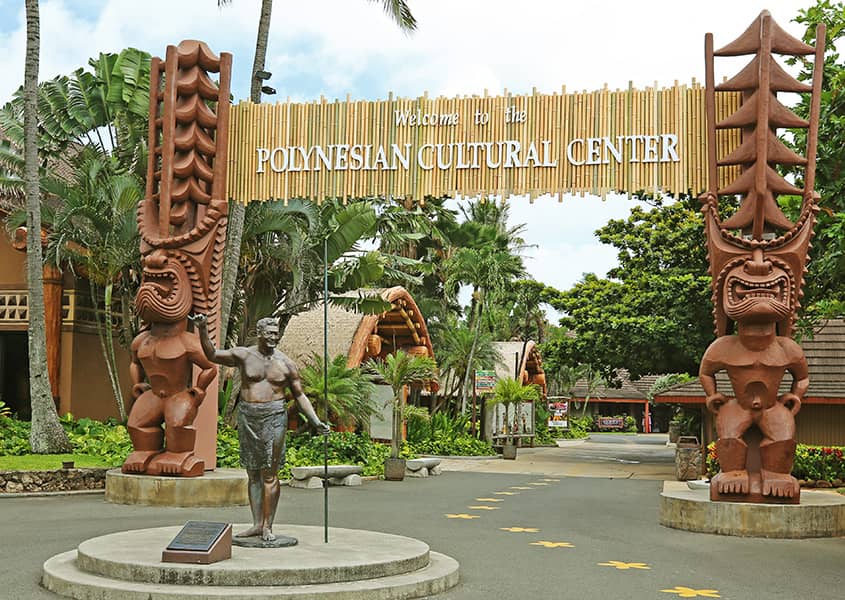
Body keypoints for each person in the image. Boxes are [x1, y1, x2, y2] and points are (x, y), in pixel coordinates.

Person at [191, 313, 329, 542]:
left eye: (276, 333)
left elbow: (300, 395)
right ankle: (256, 524)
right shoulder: (244, 355)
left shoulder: (286, 364)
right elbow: (212, 354)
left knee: (269, 473)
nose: (274, 337)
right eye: (270, 333)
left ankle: (268, 526)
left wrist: (315, 421)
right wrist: (203, 329)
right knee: (253, 472)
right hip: (248, 416)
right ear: (260, 334)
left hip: (274, 416)